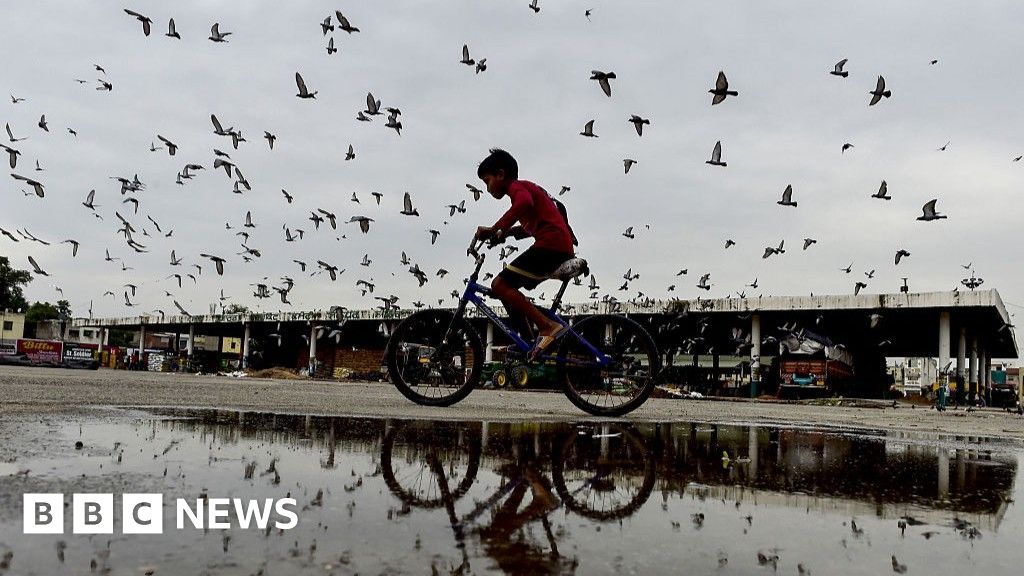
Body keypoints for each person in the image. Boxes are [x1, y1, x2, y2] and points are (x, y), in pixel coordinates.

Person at [474, 148, 576, 359]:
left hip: (551, 246)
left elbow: (523, 204)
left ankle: (547, 327)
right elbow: (531, 225)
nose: (487, 188)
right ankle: (528, 342)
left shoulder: (517, 188)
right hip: (556, 244)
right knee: (504, 290)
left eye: (487, 181)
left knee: (499, 284)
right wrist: (505, 234)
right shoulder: (527, 189)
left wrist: (495, 229)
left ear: (501, 174)